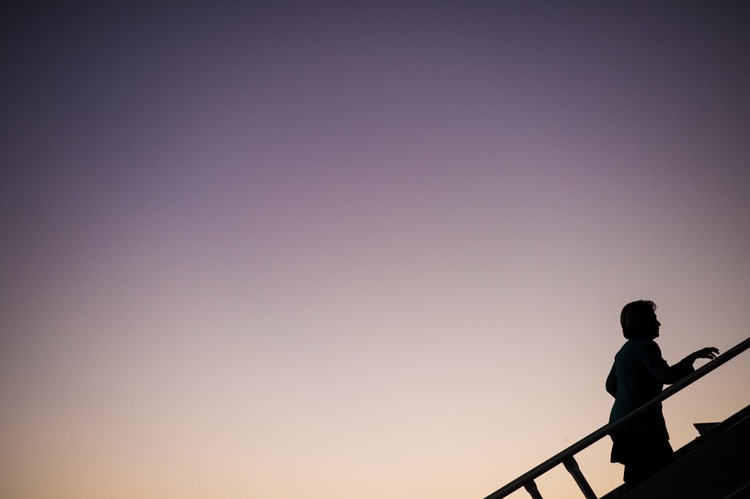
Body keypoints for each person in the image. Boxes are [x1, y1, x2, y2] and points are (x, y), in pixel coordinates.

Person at [606, 300, 719, 489]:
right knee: (666, 475)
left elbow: (610, 386)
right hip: (642, 426)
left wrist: (631, 394)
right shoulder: (646, 346)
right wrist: (693, 357)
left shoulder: (622, 352)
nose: (659, 323)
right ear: (642, 322)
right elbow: (667, 375)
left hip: (620, 424)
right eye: (654, 318)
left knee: (639, 477)